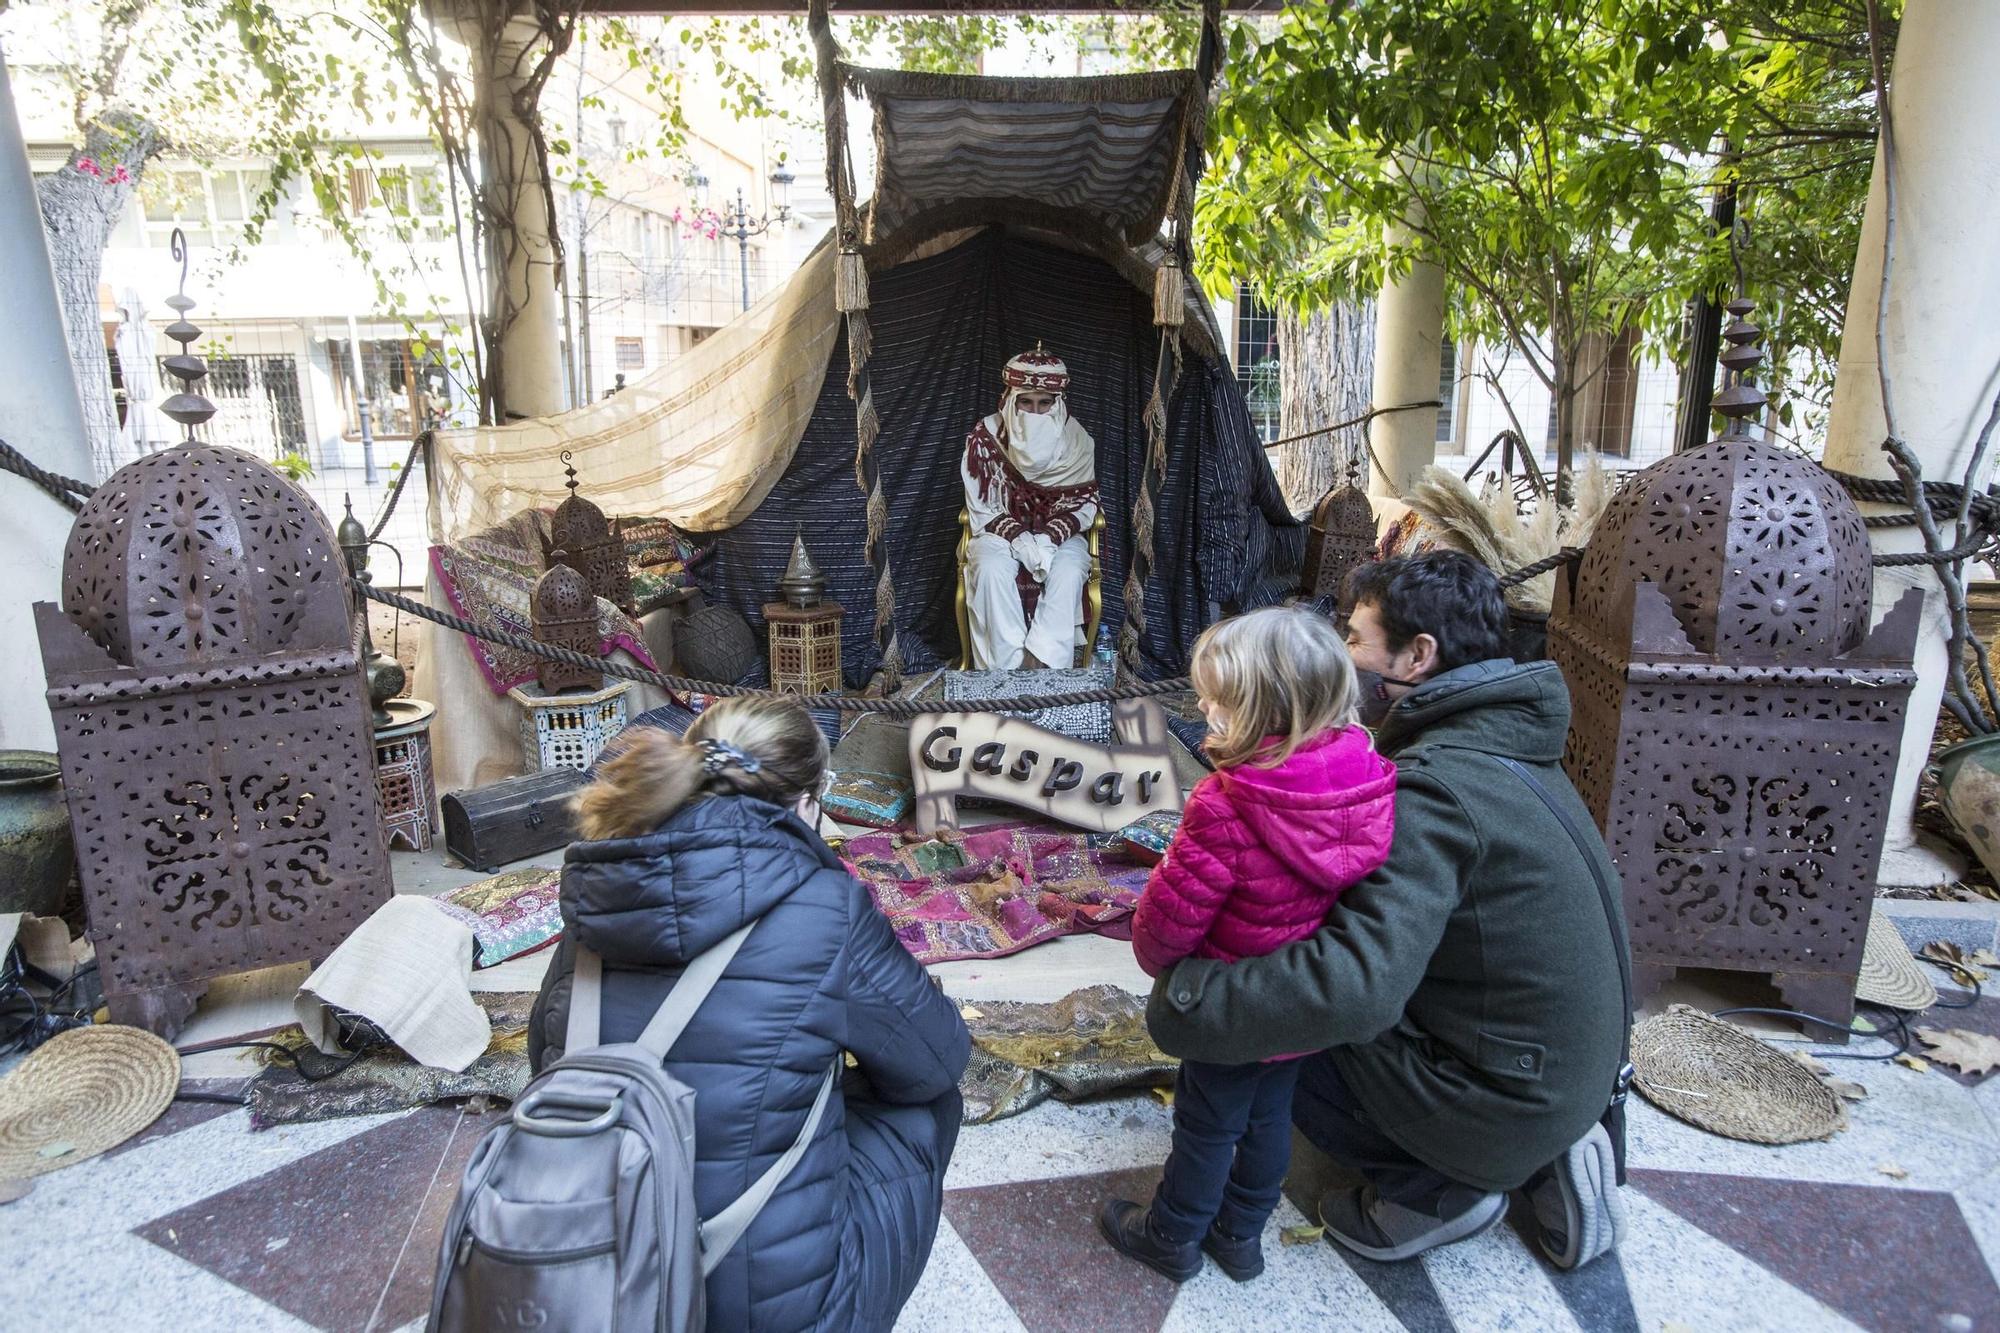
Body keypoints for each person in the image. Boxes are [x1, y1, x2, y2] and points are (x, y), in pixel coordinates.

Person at [1144, 551, 1632, 1270]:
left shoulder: (1434, 792)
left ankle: (1442, 1186)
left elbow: (1353, 988)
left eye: (1355, 638)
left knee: (1278, 1048)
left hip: (1506, 1097)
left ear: (1417, 655)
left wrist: (1192, 998)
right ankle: (1534, 1150)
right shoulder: (1502, 742)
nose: (1343, 656)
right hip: (1557, 1076)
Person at [529, 696, 971, 1331]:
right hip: (768, 1309)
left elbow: (544, 1055)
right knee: (925, 1097)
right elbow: (938, 1058)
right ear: (805, 806)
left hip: (591, 1279)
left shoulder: (598, 885)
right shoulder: (825, 907)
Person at [1099, 605, 1397, 1283]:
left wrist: (1153, 952)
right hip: (1300, 1000)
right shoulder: (1362, 782)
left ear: (1263, 709)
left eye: (1219, 699)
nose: (1203, 705)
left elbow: (1169, 924)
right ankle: (1239, 1236)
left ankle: (1172, 1234)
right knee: (1270, 1119)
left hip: (1229, 1000)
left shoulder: (1227, 801)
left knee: (1208, 1124)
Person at [961, 342, 1099, 669]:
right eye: (1025, 402)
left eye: (1044, 403)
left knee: (1067, 570)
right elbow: (980, 503)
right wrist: (1020, 539)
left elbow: (1084, 504)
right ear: (1010, 399)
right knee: (991, 569)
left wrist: (1049, 539)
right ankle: (1006, 670)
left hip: (1060, 535)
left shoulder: (1077, 438)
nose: (1035, 412)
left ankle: (1043, 665)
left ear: (1057, 402)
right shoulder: (987, 436)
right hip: (998, 531)